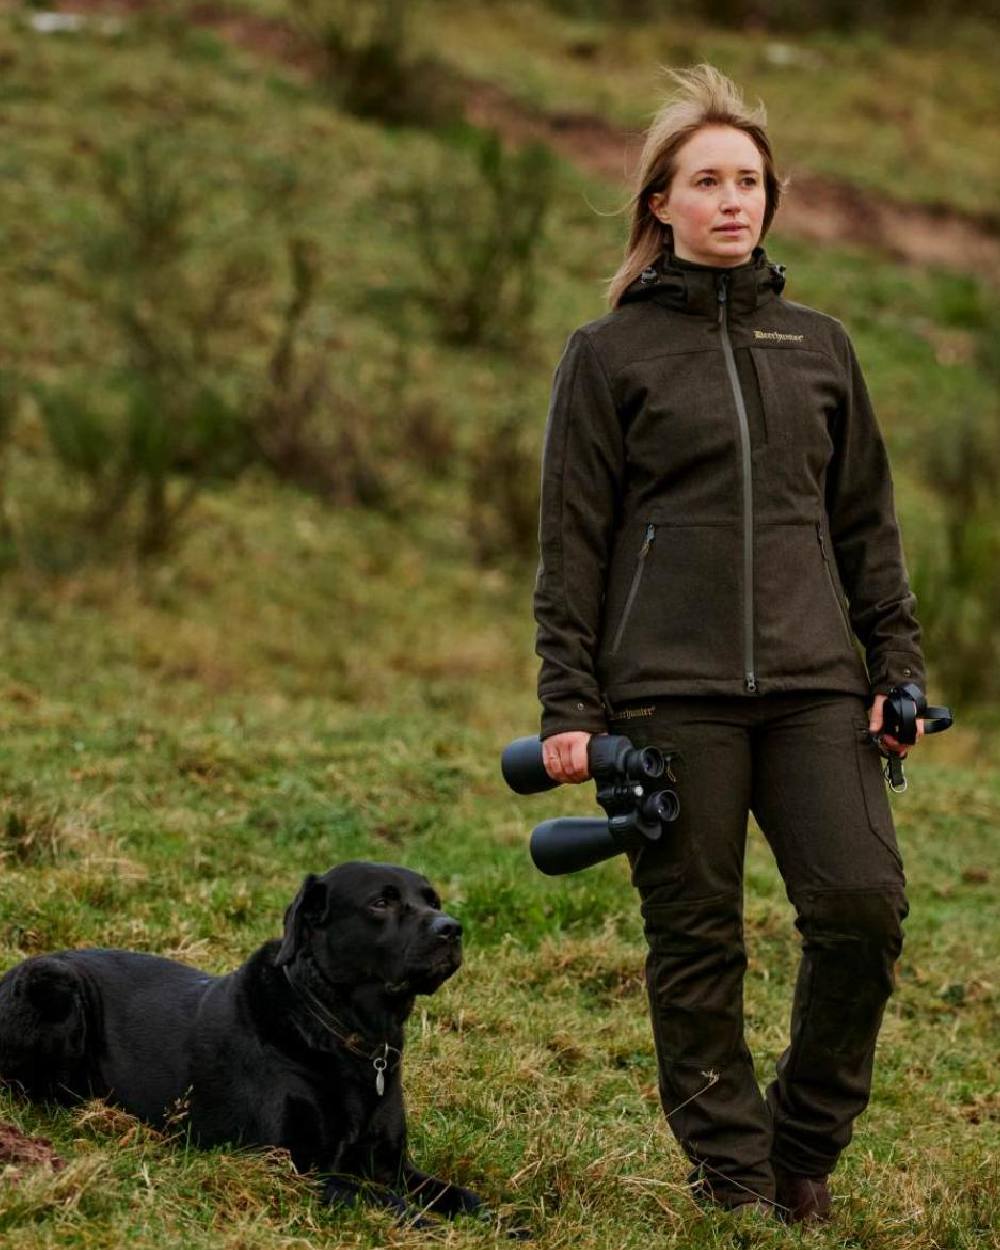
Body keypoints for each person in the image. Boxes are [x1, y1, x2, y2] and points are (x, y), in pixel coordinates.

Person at [532, 65, 926, 1224]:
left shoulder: (822, 345)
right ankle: (738, 1180)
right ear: (660, 201)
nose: (730, 200)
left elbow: (865, 526)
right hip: (665, 696)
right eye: (705, 180)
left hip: (817, 683)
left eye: (747, 180)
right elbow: (572, 549)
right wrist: (570, 709)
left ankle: (801, 1141)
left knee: (863, 907)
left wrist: (895, 667)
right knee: (696, 943)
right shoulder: (606, 357)